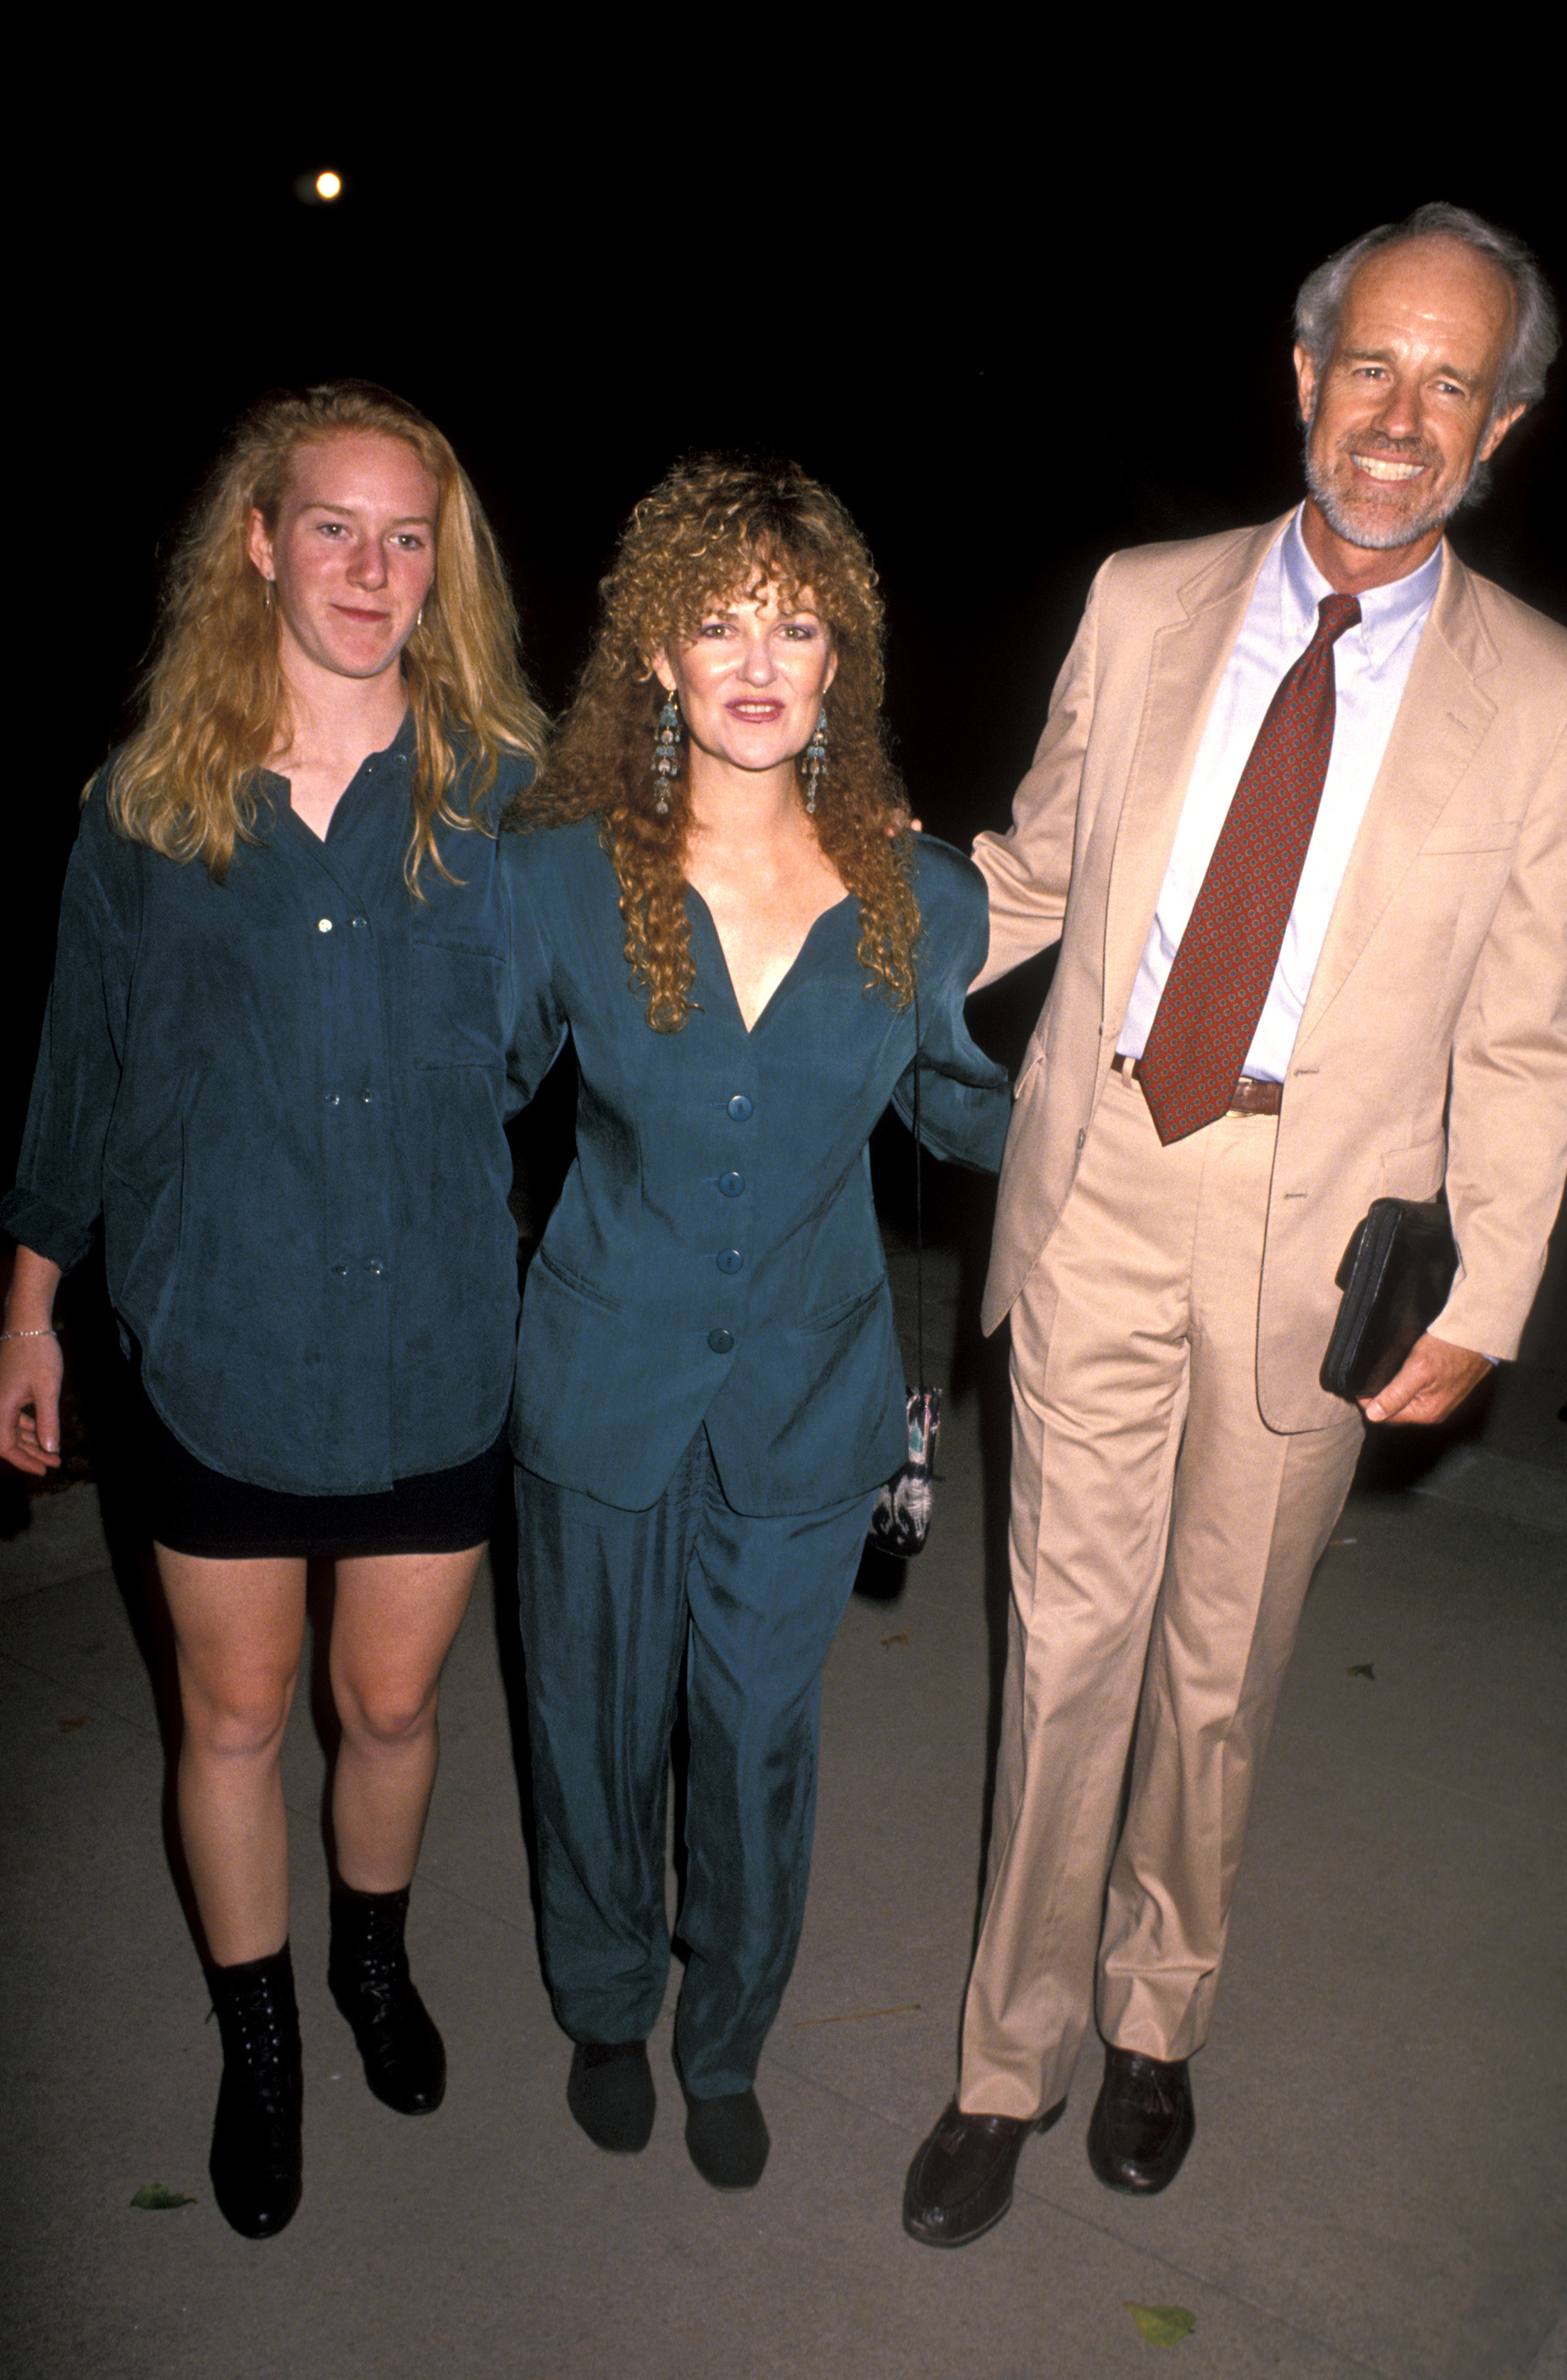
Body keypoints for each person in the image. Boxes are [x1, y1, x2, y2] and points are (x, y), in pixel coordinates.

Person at [902, 203, 1567, 2245]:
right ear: (1303, 379)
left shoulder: (1549, 699)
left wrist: (1483, 1291)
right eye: (1367, 367)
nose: (1398, 417)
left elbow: (1533, 1027)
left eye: (1448, 385)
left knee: (1219, 1668)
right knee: (1063, 1655)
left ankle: (1157, 2019)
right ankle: (1004, 2063)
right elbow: (1027, 874)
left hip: (1328, 1231)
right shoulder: (1141, 602)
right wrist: (826, 955)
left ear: (1507, 425)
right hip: (1105, 1173)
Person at [0, 382, 546, 2240]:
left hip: (437, 1348)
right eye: (336, 526)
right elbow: (83, 1068)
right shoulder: (146, 809)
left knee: (386, 1710)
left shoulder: (509, 796)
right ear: (260, 539)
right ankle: (261, 2044)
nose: (374, 569)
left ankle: (369, 1967)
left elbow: (634, 1005)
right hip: (214, 1338)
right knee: (231, 1722)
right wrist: (31, 1304)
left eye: (410, 537)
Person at [501, 455, 1008, 2191]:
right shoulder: (561, 875)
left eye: (796, 622)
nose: (757, 657)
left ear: (841, 658)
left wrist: (1167, 1088)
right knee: (587, 1715)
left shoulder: (921, 899)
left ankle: (726, 2040)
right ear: (653, 652)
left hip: (807, 1399)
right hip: (599, 1385)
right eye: (716, 619)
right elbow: (460, 1090)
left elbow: (965, 1110)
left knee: (756, 1743)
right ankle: (598, 1998)